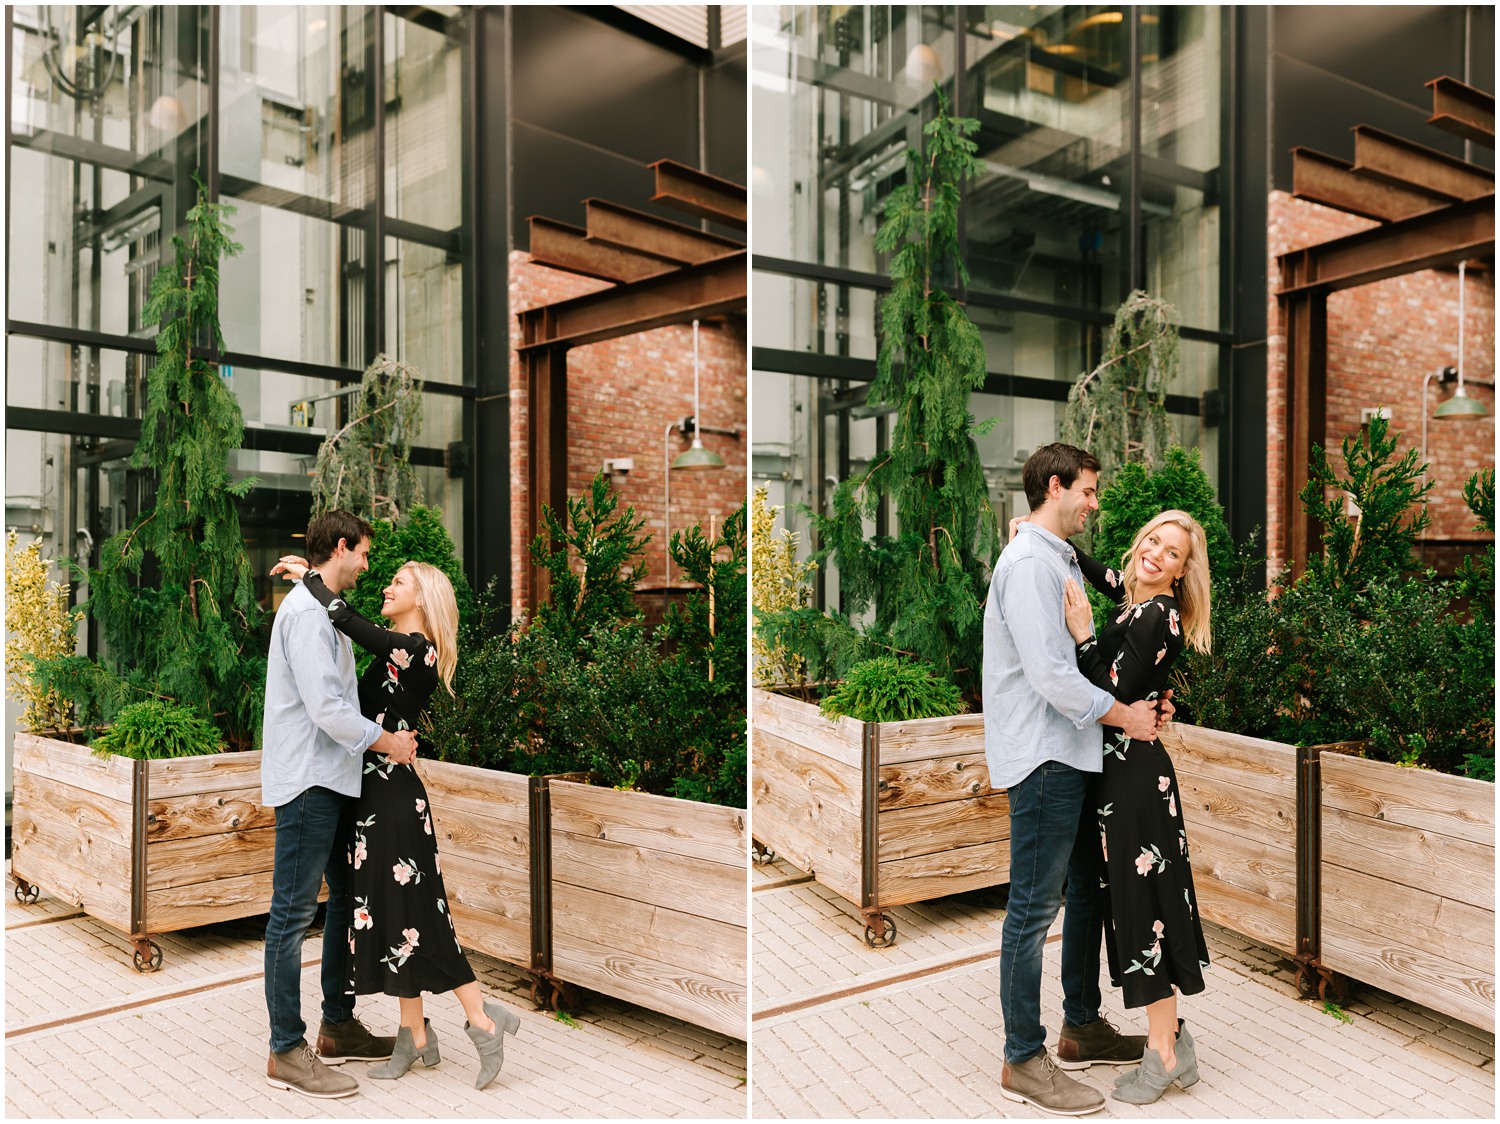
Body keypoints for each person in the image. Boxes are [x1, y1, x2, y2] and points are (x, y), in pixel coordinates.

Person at [271, 553, 521, 1091]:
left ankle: (482, 1018)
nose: (387, 586)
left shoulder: (416, 649)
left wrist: (310, 579)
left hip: (393, 801)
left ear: (423, 599)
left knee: (420, 916)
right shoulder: (396, 652)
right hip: (372, 796)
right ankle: (414, 1035)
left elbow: (345, 619)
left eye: (399, 582)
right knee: (397, 918)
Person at [983, 443, 1164, 1117]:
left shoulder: (1049, 553)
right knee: (1032, 911)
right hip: (1044, 757)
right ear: (1056, 486)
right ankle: (1022, 1057)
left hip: (1074, 750)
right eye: (1087, 490)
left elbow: (1104, 621)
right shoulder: (1030, 563)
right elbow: (1052, 675)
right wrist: (1127, 718)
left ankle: (1080, 1024)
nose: (1095, 501)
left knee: (1086, 889)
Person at [262, 510, 415, 1100]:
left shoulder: (316, 605)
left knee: (346, 902)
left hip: (330, 782)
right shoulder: (304, 616)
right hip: (307, 784)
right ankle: (285, 1050)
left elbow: (326, 601)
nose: (368, 567)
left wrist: (310, 577)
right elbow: (328, 710)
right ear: (344, 547)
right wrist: (390, 743)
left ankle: (337, 1025)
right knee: (292, 916)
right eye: (365, 556)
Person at [1063, 510, 1211, 1105]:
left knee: (1143, 909)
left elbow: (1114, 691)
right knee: (1133, 907)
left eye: (1171, 552)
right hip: (1122, 778)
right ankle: (1174, 1039)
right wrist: (1053, 540)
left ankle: (1164, 1055)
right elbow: (1103, 574)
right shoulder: (1133, 599)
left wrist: (1082, 635)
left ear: (1180, 572)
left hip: (1134, 785)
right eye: (1152, 540)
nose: (1155, 553)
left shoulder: (1158, 613)